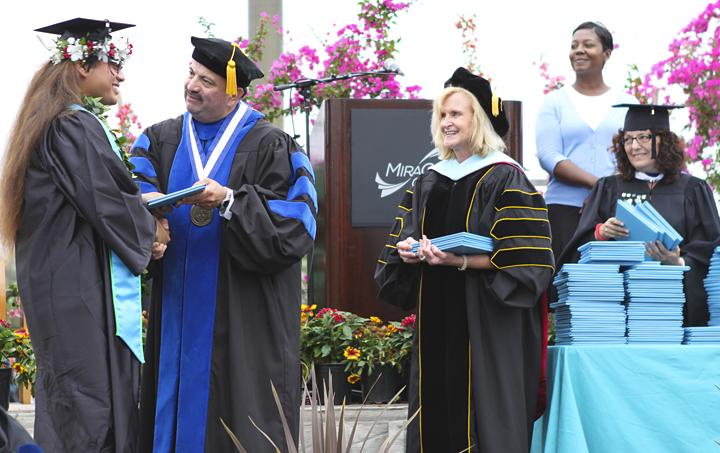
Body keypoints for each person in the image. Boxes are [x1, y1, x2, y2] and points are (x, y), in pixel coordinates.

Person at [130, 36, 317, 452]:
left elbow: (296, 226)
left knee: (239, 422)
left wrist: (231, 200)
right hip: (175, 313)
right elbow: (132, 191)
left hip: (241, 315)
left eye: (207, 81)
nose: (192, 86)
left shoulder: (272, 145)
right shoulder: (159, 140)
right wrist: (151, 221)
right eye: (191, 74)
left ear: (235, 92)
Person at [0, 18, 168, 452]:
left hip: (63, 285)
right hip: (77, 291)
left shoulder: (48, 121)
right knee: (91, 407)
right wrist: (152, 228)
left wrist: (143, 213)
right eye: (114, 62)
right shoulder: (70, 125)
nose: (120, 74)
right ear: (80, 66)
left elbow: (99, 197)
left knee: (75, 403)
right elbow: (106, 201)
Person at [375, 67, 554, 453]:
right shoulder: (427, 180)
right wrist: (406, 252)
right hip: (437, 314)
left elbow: (526, 261)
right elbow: (399, 242)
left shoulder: (507, 178)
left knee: (483, 414)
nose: (447, 122)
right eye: (442, 115)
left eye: (456, 114)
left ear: (480, 120)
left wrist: (459, 261)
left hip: (487, 320)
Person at [559, 103, 720, 326]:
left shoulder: (693, 189)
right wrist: (601, 233)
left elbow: (711, 246)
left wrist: (679, 260)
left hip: (675, 305)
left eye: (643, 137)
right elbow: (576, 249)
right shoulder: (608, 188)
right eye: (627, 139)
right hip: (620, 306)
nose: (634, 146)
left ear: (665, 141)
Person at [536, 21, 637, 261]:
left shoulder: (627, 102)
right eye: (574, 45)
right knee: (564, 283)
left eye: (588, 44)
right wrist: (600, 185)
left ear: (607, 53)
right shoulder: (555, 102)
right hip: (564, 209)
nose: (578, 50)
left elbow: (637, 154)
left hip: (616, 209)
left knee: (611, 282)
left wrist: (609, 193)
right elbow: (549, 156)